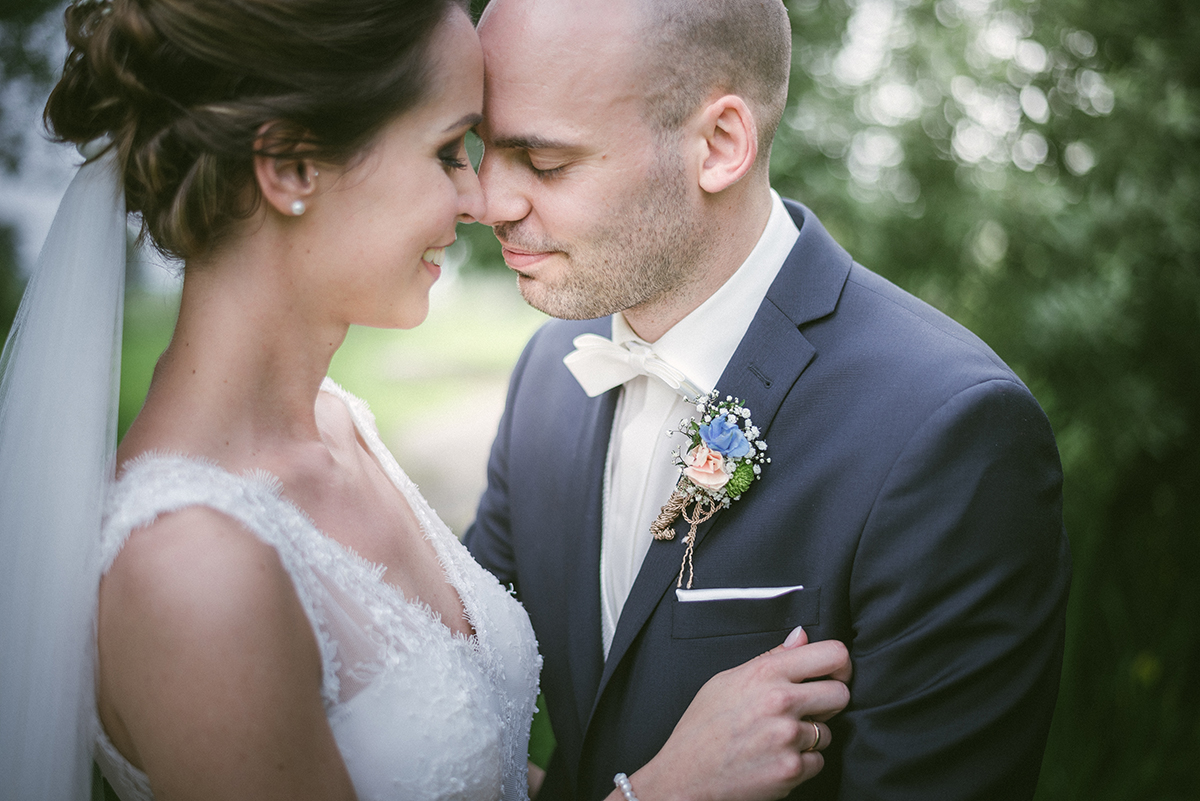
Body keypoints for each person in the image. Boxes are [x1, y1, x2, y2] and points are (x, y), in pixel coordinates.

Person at [0, 0, 849, 800]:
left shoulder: (337, 425)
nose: (480, 199)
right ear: (291, 166)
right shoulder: (192, 571)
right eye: (449, 151)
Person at [463, 0, 1073, 799]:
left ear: (719, 145)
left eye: (543, 163)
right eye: (480, 151)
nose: (485, 201)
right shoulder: (550, 372)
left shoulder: (952, 432)